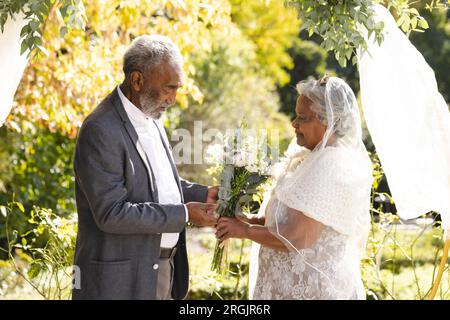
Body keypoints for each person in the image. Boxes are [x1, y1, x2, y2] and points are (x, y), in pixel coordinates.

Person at [72, 35, 219, 300]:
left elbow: (154, 184)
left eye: (177, 89)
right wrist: (184, 214)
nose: (173, 99)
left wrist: (201, 195)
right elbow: (112, 213)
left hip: (162, 269)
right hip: (120, 281)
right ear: (137, 80)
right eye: (168, 88)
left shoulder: (152, 117)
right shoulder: (100, 129)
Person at [216, 76, 373, 299]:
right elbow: (281, 223)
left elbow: (299, 236)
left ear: (327, 122)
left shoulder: (331, 164)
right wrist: (240, 219)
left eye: (302, 117)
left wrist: (243, 231)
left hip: (314, 291)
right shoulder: (311, 159)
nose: (294, 124)